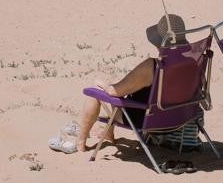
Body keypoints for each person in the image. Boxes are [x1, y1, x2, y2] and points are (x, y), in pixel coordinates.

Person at [70, 15, 189, 152]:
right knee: (119, 96)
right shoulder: (192, 63)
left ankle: (81, 142)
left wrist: (103, 85)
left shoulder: (152, 66)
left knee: (97, 91)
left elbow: (115, 92)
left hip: (146, 119)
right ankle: (108, 133)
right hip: (179, 117)